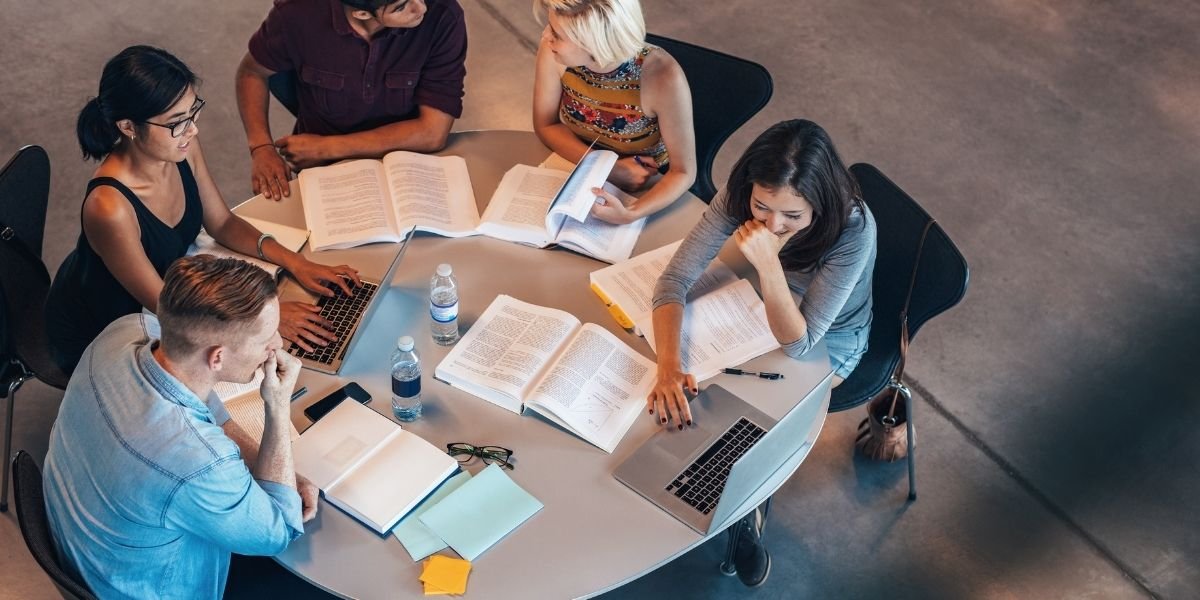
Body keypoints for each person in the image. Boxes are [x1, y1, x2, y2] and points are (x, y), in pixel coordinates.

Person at [647, 120, 877, 585]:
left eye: (792, 216)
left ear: (820, 202)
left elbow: (802, 343)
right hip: (756, 303)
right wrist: (669, 366)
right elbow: (673, 282)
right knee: (695, 390)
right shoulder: (741, 196)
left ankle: (743, 519)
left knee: (749, 418)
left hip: (831, 340)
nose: (772, 224)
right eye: (761, 207)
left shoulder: (854, 230)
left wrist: (768, 263)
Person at [45, 45, 359, 374]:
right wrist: (264, 317)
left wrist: (295, 261)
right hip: (109, 326)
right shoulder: (109, 209)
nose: (192, 129)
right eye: (177, 122)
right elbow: (166, 305)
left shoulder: (182, 146)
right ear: (128, 127)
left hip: (174, 287)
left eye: (192, 112)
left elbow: (222, 222)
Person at [43, 255, 318, 598]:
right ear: (217, 357)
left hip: (89, 553)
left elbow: (207, 411)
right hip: (143, 587)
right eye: (266, 340)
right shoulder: (198, 462)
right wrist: (277, 407)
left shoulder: (126, 330)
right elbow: (279, 529)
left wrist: (269, 468)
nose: (277, 345)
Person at [236, 0, 468, 200]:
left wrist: (326, 148)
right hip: (325, 173)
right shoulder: (296, 15)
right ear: (362, 14)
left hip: (409, 164)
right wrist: (261, 148)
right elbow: (252, 73)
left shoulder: (443, 15)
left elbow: (432, 133)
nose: (421, 7)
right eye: (401, 7)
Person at [532, 0, 696, 224]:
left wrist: (631, 214)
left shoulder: (663, 77)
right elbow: (546, 125)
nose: (545, 36)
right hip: (578, 163)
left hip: (643, 184)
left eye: (556, 34)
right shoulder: (553, 52)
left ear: (594, 43)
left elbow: (684, 172)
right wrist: (608, 169)